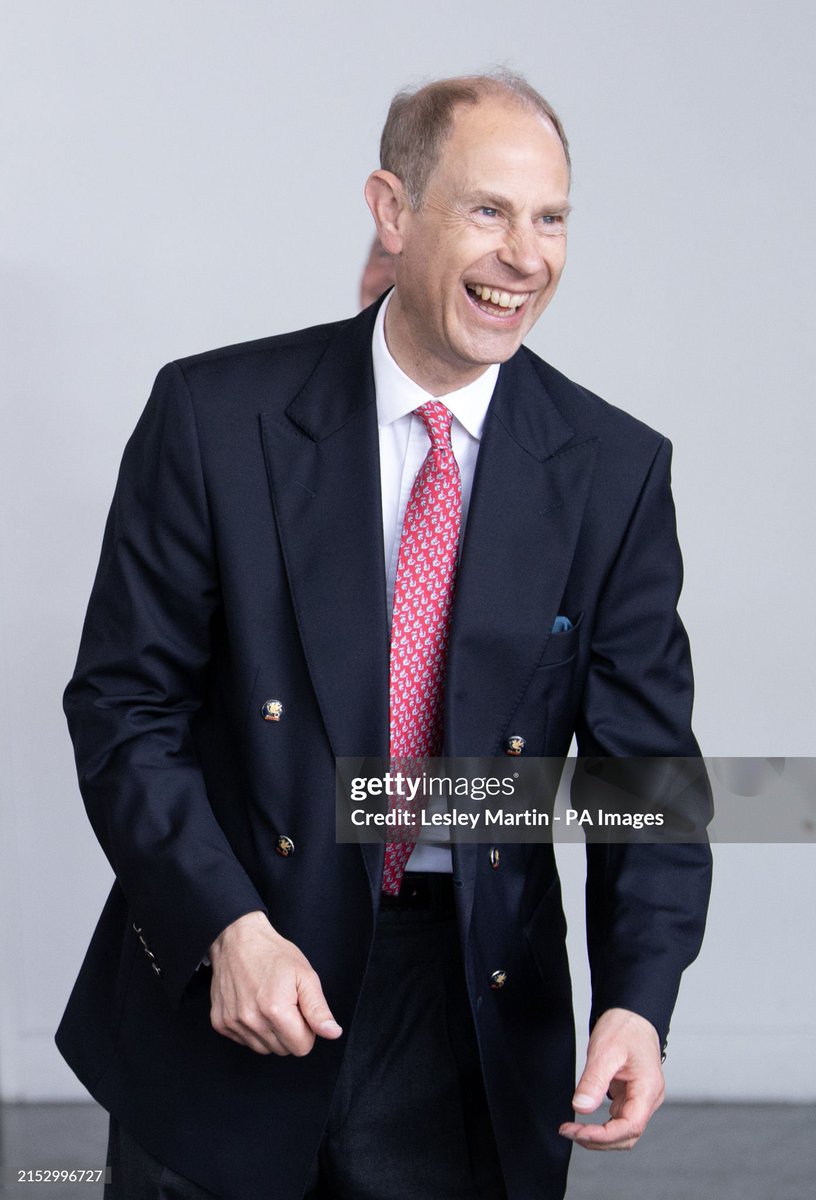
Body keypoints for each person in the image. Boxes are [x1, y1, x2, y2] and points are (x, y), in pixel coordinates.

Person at [58, 70, 712, 1200]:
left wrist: (636, 1001)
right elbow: (125, 709)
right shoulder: (215, 421)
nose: (527, 254)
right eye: (490, 210)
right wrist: (224, 925)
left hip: (466, 1005)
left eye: (551, 217)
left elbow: (641, 779)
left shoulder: (613, 471)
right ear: (393, 212)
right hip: (239, 963)